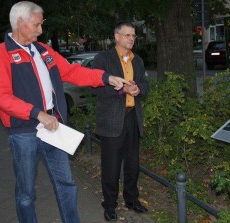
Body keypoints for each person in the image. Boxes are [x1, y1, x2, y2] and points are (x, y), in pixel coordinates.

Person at [0, 1, 129, 223]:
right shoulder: (1, 54)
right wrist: (37, 113)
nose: (41, 30)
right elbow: (0, 96)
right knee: (26, 193)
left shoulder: (43, 50)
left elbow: (72, 71)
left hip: (54, 128)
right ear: (20, 22)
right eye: (37, 24)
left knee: (66, 183)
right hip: (24, 132)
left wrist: (105, 78)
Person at [92, 22, 149, 222]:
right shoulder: (102, 59)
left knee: (133, 163)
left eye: (133, 35)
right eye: (127, 35)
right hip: (111, 120)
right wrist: (122, 90)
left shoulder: (138, 61)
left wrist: (137, 89)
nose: (132, 39)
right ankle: (109, 205)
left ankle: (132, 200)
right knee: (111, 166)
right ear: (116, 37)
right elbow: (97, 88)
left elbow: (145, 85)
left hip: (133, 117)